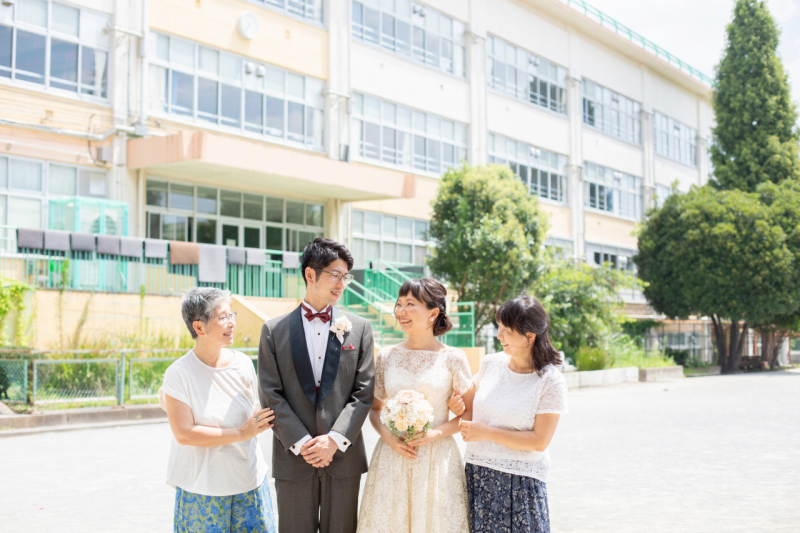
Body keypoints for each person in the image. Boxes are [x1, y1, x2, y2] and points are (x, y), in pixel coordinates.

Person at [258, 238, 375, 533]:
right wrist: (302, 444)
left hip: (343, 458)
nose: (342, 283)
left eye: (346, 276)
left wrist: (334, 439)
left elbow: (364, 392)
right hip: (293, 458)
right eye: (335, 275)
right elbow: (270, 394)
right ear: (311, 274)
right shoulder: (273, 331)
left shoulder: (359, 329)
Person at [357, 278, 475, 533]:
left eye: (410, 304)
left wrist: (435, 433)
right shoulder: (386, 356)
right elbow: (376, 409)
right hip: (392, 455)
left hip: (437, 457)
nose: (401, 311)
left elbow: (470, 413)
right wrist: (390, 439)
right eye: (399, 304)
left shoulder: (454, 357)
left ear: (433, 313)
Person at [159, 287, 277, 533]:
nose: (231, 323)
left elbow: (254, 410)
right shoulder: (179, 374)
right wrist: (241, 433)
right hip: (203, 492)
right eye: (222, 317)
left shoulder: (243, 363)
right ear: (199, 327)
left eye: (231, 315)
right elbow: (184, 434)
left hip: (250, 484)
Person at [450, 295, 568, 533]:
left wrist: (486, 432)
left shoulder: (550, 381)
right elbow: (470, 404)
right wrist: (457, 405)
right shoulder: (490, 364)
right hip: (478, 473)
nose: (498, 336)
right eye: (499, 328)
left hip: (521, 481)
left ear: (529, 335)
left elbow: (539, 441)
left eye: (506, 330)